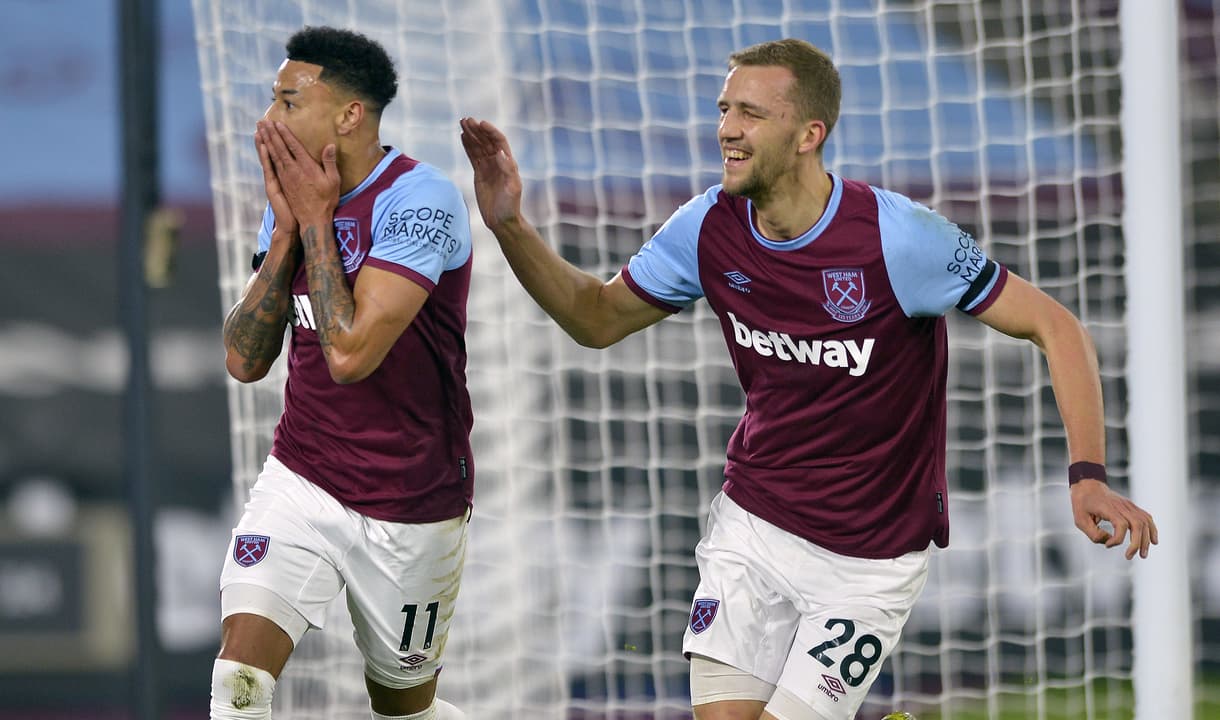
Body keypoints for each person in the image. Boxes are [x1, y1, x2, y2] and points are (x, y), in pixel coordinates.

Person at [460, 38, 1158, 720]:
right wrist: (511, 226)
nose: (727, 130)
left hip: (871, 561)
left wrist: (1087, 473)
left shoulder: (899, 238)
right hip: (756, 524)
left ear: (808, 134)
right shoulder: (706, 227)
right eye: (724, 109)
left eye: (751, 115)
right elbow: (596, 320)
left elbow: (1057, 327)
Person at [217, 26, 473, 720]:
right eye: (272, 100)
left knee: (402, 708)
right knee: (238, 683)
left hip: (409, 500)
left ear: (349, 115)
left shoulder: (423, 199)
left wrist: (316, 221)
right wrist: (285, 233)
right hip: (304, 477)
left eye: (289, 101)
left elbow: (352, 355)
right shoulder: (291, 200)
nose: (269, 121)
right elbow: (243, 361)